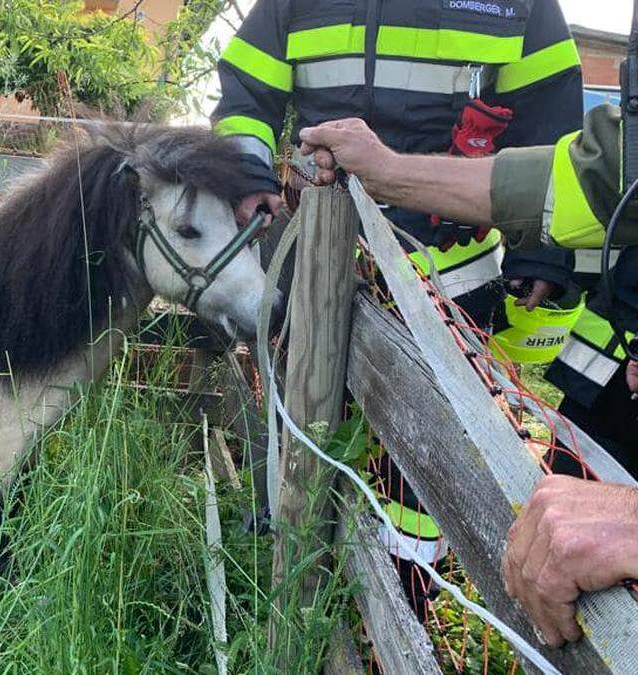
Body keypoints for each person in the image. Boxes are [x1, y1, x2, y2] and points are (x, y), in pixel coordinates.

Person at [213, 0, 583, 617]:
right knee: (304, 422)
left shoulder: (523, 8)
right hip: (319, 266)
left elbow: (554, 130)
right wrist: (251, 172)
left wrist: (540, 254)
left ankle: (400, 606)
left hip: (451, 286)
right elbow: (245, 93)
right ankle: (296, 571)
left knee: (418, 459)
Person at [296, 110, 638, 647]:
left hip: (464, 301)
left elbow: (574, 152)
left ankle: (406, 603)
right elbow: (594, 178)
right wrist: (386, 171)